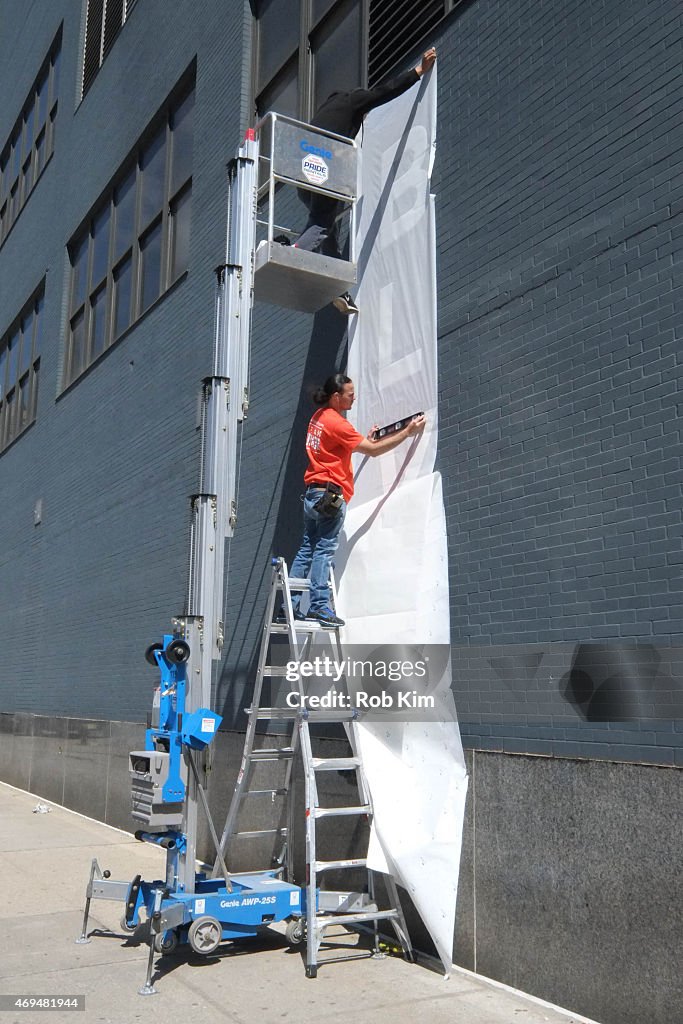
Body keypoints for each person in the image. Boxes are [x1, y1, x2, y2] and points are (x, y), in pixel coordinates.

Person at [293, 47, 437, 316]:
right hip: (325, 168)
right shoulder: (353, 100)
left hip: (303, 176)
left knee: (328, 229)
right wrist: (417, 72)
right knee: (322, 223)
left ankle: (337, 285)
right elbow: (382, 93)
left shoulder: (324, 113)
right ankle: (293, 251)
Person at [285, 373, 426, 627]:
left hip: (312, 492)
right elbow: (372, 452)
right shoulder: (337, 423)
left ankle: (291, 606)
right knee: (325, 549)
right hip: (330, 494)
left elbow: (336, 448)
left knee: (308, 547)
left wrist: (361, 440)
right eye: (350, 394)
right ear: (336, 397)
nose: (354, 397)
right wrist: (407, 432)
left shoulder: (317, 419)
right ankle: (319, 606)